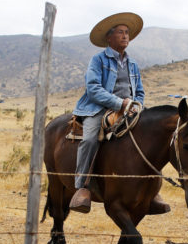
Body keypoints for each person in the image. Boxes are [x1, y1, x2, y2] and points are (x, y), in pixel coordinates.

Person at [69, 12, 168, 214]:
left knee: (152, 137)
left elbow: (139, 91)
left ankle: (152, 190)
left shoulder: (132, 64)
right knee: (89, 139)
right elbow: (93, 88)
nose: (125, 36)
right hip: (98, 108)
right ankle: (82, 188)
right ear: (109, 37)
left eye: (127, 33)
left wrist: (136, 105)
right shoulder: (98, 60)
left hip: (129, 108)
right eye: (121, 33)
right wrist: (118, 103)